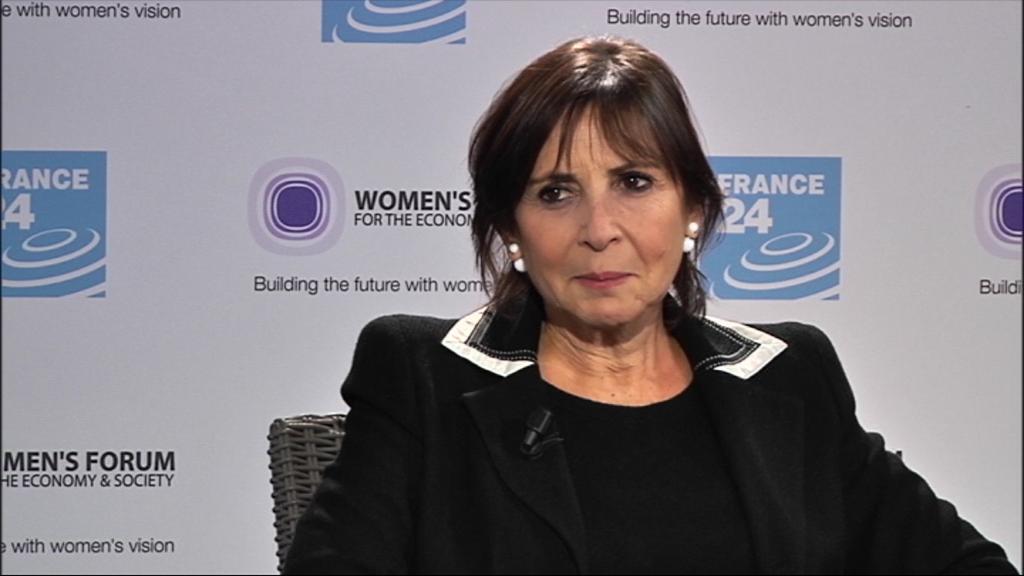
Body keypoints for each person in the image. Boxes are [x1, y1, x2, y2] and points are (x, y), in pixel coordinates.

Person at [284, 36, 1017, 574]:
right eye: (555, 192)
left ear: (693, 207)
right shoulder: (419, 373)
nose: (600, 229)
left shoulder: (790, 373)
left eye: (634, 183)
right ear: (510, 228)